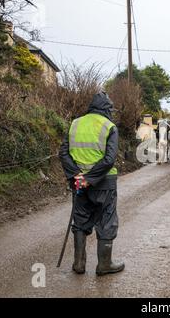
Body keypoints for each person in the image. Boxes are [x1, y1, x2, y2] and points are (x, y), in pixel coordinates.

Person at [59, 92, 124, 276]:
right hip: (104, 183)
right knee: (106, 221)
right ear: (106, 109)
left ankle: (79, 264)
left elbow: (63, 153)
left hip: (78, 183)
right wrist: (90, 178)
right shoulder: (109, 127)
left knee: (80, 220)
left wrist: (77, 175)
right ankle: (104, 265)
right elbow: (109, 159)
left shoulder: (75, 123)